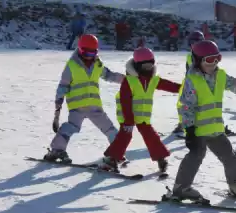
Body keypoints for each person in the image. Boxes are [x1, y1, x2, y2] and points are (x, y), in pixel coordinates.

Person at [166, 40, 236, 201]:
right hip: (197, 130)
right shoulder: (192, 80)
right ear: (198, 60)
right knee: (195, 156)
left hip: (215, 129)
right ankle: (181, 188)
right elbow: (185, 106)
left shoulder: (220, 75)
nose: (213, 64)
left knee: (230, 156)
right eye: (209, 60)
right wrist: (189, 129)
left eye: (217, 59)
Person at [44, 34, 125, 163]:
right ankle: (57, 150)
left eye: (93, 53)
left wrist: (126, 80)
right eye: (87, 52)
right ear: (80, 49)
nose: (90, 56)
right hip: (78, 106)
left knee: (109, 128)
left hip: (95, 106)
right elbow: (63, 85)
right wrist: (58, 103)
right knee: (71, 127)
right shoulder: (72, 65)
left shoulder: (98, 64)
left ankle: (116, 153)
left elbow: (109, 75)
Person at [100, 48, 182, 173]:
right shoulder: (129, 81)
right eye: (145, 66)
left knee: (151, 136)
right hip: (127, 115)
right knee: (125, 136)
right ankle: (112, 159)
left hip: (143, 116)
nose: (148, 68)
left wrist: (184, 89)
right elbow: (125, 101)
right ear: (138, 66)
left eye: (151, 65)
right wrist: (128, 120)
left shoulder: (154, 80)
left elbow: (170, 86)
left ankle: (161, 158)